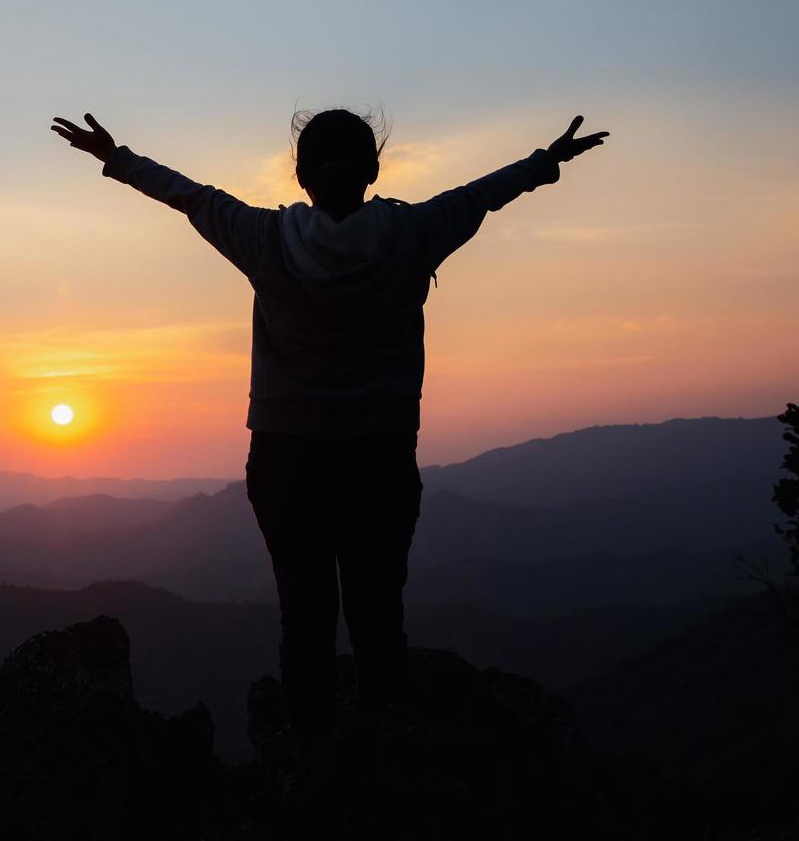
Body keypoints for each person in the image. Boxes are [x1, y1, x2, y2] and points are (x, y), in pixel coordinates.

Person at [49, 107, 608, 752]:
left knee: (305, 618)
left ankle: (312, 761)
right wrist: (546, 162)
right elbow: (485, 193)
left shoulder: (265, 239)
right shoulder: (413, 233)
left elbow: (189, 197)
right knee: (377, 617)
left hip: (287, 462)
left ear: (300, 174)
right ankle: (386, 761)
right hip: (381, 457)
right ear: (373, 168)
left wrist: (114, 157)